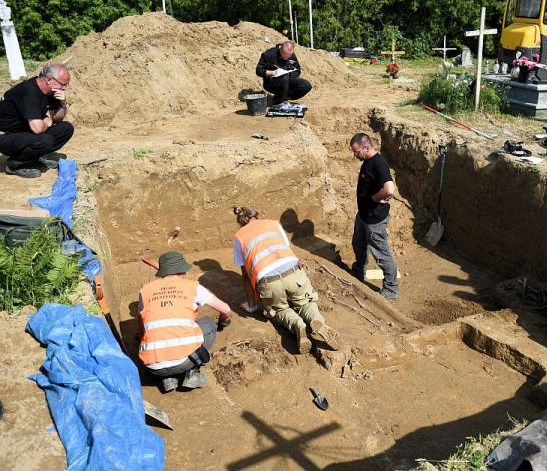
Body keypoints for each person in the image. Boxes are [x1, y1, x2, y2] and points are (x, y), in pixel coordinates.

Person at [232, 206, 339, 354]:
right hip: (293, 272)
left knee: (279, 309)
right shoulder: (273, 224)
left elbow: (245, 276)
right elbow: (286, 248)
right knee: (305, 302)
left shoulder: (239, 236)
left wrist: (252, 305)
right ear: (257, 216)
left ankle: (297, 324)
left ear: (241, 222)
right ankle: (316, 320)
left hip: (269, 281)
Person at [138, 251, 232, 392]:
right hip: (183, 362)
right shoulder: (193, 287)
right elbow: (226, 309)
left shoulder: (145, 291)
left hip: (153, 366)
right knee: (207, 323)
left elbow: (142, 325)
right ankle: (191, 373)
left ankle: (168, 379)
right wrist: (224, 321)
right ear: (182, 271)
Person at [0, 63, 75, 178]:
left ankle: (32, 159)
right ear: (50, 80)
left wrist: (63, 104)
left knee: (66, 128)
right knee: (45, 140)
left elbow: (56, 118)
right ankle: (14, 165)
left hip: (23, 131)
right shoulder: (29, 92)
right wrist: (46, 121)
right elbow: (38, 129)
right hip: (5, 135)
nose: (65, 88)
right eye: (63, 84)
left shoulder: (50, 91)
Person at [349, 133, 398, 299]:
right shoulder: (367, 161)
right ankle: (357, 273)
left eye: (356, 151)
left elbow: (389, 189)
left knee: (382, 255)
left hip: (374, 220)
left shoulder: (378, 163)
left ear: (366, 147)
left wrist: (375, 198)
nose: (354, 155)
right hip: (363, 216)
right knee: (358, 244)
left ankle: (390, 290)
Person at [255, 41, 312, 106]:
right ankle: (277, 102)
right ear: (280, 48)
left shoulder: (291, 55)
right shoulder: (269, 54)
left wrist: (289, 74)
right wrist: (274, 72)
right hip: (272, 83)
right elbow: (259, 71)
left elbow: (297, 70)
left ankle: (282, 98)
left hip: (288, 80)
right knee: (284, 78)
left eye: (289, 55)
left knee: (306, 86)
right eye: (284, 55)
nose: (287, 57)